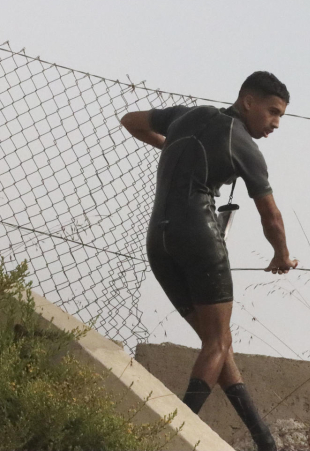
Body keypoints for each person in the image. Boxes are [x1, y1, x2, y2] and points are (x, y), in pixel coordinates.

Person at [120, 71, 298, 451]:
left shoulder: (186, 115)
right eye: (272, 112)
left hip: (158, 238)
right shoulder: (245, 146)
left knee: (215, 342)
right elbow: (272, 216)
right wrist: (281, 255)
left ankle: (263, 438)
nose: (275, 123)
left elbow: (130, 121)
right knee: (217, 342)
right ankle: (176, 431)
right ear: (247, 101)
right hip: (199, 236)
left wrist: (169, 146)